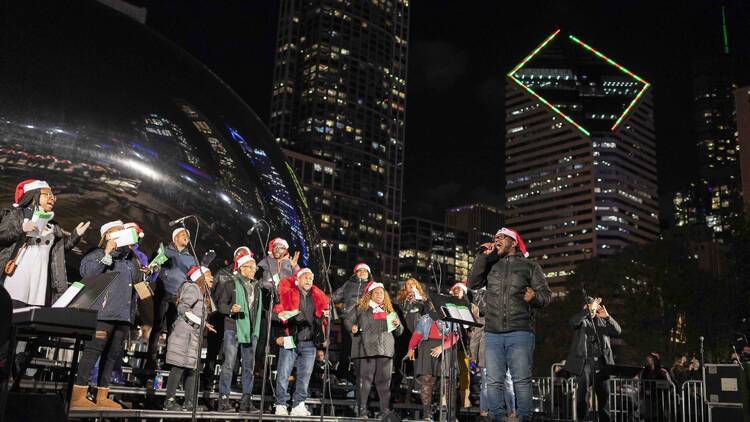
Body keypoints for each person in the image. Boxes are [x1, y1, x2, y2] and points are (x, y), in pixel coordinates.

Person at [468, 227, 551, 422]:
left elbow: (547, 296)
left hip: (520, 331)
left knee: (521, 380)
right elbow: (472, 283)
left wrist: (535, 298)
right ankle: (496, 417)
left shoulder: (530, 266)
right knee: (493, 380)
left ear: (513, 243)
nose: (497, 240)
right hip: (493, 331)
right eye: (495, 237)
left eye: (502, 237)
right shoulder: (490, 264)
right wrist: (482, 256)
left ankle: (524, 417)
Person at [71, 220, 141, 409]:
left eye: (122, 231)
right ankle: (78, 394)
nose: (120, 234)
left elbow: (137, 280)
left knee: (111, 357)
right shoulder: (96, 254)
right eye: (116, 231)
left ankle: (102, 395)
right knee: (92, 353)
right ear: (106, 236)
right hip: (103, 314)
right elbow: (89, 274)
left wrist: (133, 252)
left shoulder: (128, 261)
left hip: (122, 316)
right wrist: (107, 252)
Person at [0, 179, 89, 307]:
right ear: (34, 196)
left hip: (40, 277)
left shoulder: (53, 225)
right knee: (13, 306)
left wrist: (75, 236)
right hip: (18, 272)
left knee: (33, 310)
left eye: (53, 196)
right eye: (47, 195)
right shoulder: (17, 215)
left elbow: (58, 253)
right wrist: (21, 229)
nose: (52, 199)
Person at [273, 268, 330, 416]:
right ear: (298, 279)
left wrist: (323, 320)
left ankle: (299, 404)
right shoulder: (288, 294)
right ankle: (280, 404)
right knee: (284, 373)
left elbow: (319, 322)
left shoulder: (317, 297)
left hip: (309, 342)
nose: (309, 280)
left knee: (305, 376)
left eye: (311, 278)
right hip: (290, 339)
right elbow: (276, 315)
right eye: (305, 277)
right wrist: (278, 336)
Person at [162, 266, 216, 411]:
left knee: (193, 369)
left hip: (193, 336)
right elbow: (183, 309)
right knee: (178, 367)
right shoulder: (193, 288)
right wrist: (200, 322)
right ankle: (169, 401)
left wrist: (204, 323)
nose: (212, 278)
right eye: (209, 275)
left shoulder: (202, 293)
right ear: (200, 277)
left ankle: (189, 403)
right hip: (183, 334)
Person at [346, 281, 403, 417]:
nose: (379, 295)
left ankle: (384, 412)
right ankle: (362, 411)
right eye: (376, 292)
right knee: (364, 381)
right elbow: (348, 321)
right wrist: (352, 328)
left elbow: (399, 331)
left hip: (385, 350)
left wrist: (398, 325)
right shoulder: (360, 308)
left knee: (384, 383)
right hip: (366, 349)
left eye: (382, 293)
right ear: (370, 294)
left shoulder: (389, 310)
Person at [215, 250, 263, 413]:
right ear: (242, 268)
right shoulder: (230, 284)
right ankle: (223, 400)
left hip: (251, 331)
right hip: (233, 328)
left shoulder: (257, 287)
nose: (254, 270)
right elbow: (220, 305)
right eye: (251, 267)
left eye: (254, 267)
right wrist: (230, 309)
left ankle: (246, 401)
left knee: (249, 367)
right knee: (228, 365)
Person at [562, 296, 622, 422]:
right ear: (585, 307)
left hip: (602, 363)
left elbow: (617, 331)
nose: (593, 309)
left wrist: (607, 317)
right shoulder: (582, 321)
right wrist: (587, 310)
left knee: (604, 397)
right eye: (590, 307)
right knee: (581, 396)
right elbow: (573, 322)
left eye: (594, 307)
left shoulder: (602, 321)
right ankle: (582, 419)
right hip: (585, 363)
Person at [147, 227, 198, 372]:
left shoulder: (191, 257)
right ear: (175, 237)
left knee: (173, 329)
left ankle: (168, 361)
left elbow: (194, 278)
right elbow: (152, 267)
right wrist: (157, 259)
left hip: (178, 297)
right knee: (157, 326)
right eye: (182, 234)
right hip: (163, 293)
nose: (186, 237)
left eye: (187, 235)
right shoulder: (165, 251)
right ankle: (150, 361)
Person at [204, 247, 251, 390]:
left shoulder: (249, 278)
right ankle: (207, 382)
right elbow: (210, 293)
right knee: (213, 351)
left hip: (236, 321)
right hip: (218, 317)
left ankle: (230, 385)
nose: (240, 257)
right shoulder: (222, 273)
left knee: (234, 355)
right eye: (238, 254)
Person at [406, 303, 460, 421]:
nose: (434, 305)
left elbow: (454, 336)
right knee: (427, 380)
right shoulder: (425, 318)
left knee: (446, 382)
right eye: (432, 303)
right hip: (427, 348)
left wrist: (442, 347)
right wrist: (411, 348)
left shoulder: (450, 317)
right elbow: (417, 334)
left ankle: (448, 415)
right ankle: (427, 414)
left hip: (445, 348)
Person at [470, 288, 516, 418]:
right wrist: (473, 358)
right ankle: (485, 410)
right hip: (487, 356)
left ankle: (511, 411)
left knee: (508, 383)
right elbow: (475, 339)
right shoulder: (484, 319)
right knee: (486, 384)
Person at [333, 262, 374, 382]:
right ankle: (342, 376)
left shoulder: (373, 286)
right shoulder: (348, 284)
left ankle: (361, 378)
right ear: (355, 273)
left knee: (362, 350)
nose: (362, 272)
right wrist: (321, 299)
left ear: (369, 274)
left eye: (365, 271)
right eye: (359, 270)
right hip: (348, 319)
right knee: (346, 349)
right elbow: (335, 296)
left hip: (365, 320)